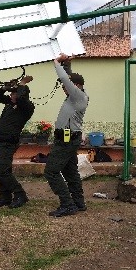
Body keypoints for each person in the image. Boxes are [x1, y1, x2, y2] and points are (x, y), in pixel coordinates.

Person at [43, 53, 89, 217]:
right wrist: (67, 64)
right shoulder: (75, 96)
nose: (64, 88)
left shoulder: (78, 96)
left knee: (51, 172)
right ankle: (78, 202)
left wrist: (56, 62)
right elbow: (68, 78)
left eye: (67, 86)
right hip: (68, 138)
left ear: (77, 85)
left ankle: (67, 204)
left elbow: (65, 79)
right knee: (71, 172)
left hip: (67, 139)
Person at [0, 75, 35, 209]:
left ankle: (20, 194)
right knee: (5, 169)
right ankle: (5, 197)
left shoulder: (26, 106)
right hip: (0, 141)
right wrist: (6, 87)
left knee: (1, 171)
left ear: (22, 94)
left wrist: (22, 83)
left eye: (13, 93)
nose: (11, 95)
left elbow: (21, 98)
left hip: (8, 143)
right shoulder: (10, 103)